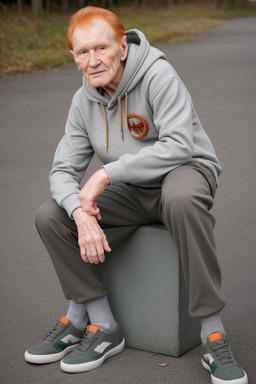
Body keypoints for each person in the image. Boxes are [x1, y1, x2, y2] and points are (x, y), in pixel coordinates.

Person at [24, 6, 248, 384]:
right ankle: (99, 323)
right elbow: (62, 171)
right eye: (82, 52)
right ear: (74, 57)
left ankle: (213, 334)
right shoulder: (84, 102)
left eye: (101, 48)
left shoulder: (158, 75)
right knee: (52, 216)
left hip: (185, 174)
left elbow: (179, 146)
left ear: (123, 46)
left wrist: (104, 175)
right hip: (131, 191)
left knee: (179, 198)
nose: (93, 61)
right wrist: (80, 214)